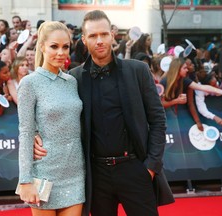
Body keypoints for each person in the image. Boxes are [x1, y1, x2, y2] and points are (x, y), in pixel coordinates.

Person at [34, 10, 174, 216]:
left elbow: (158, 120)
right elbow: (51, 110)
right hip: (96, 175)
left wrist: (151, 167)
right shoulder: (74, 78)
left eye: (103, 34)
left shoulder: (138, 71)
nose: (99, 41)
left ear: (112, 35)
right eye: (92, 36)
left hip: (135, 169)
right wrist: (35, 134)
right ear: (84, 40)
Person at [16, 21, 85, 216]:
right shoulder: (30, 83)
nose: (61, 52)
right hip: (45, 171)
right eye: (54, 46)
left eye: (65, 47)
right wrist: (25, 180)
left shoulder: (72, 82)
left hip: (75, 171)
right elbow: (26, 132)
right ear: (42, 46)